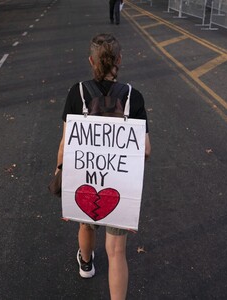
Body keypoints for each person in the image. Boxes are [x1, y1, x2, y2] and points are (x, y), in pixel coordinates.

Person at [55, 33, 151, 300]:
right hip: (119, 182)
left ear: (91, 61)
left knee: (86, 224)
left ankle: (86, 263)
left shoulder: (78, 93)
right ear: (119, 60)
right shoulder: (134, 96)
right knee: (117, 252)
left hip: (85, 175)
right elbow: (145, 148)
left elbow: (66, 142)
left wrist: (59, 169)